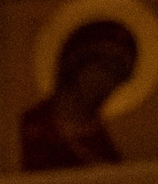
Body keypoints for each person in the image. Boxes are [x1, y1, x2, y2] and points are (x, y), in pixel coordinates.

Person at [17, 19, 136, 170]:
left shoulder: (101, 139)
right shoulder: (33, 125)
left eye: (118, 76)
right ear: (78, 62)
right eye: (104, 68)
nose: (109, 82)